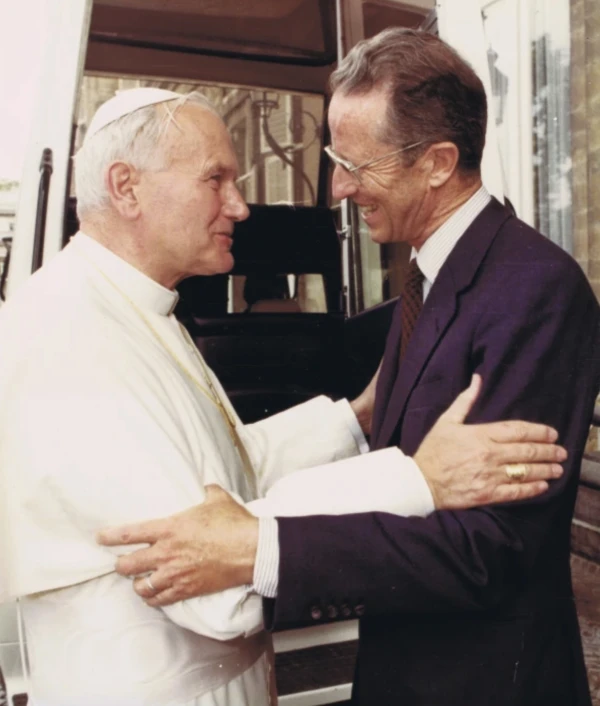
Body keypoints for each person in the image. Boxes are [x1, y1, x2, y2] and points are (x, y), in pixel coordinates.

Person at [99, 30, 600, 706]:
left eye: (356, 165)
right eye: (337, 159)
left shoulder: (535, 290)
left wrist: (263, 550)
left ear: (437, 163)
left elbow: (490, 549)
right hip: (404, 668)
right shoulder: (428, 281)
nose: (338, 187)